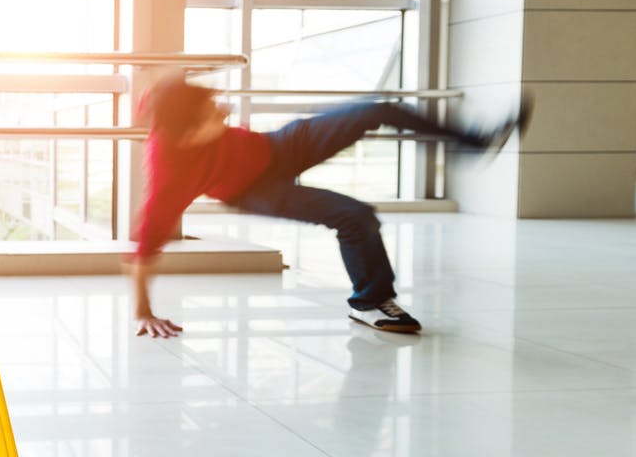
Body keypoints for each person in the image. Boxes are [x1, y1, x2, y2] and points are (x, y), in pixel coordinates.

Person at [126, 74, 532, 337]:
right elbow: (146, 246)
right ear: (188, 133)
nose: (224, 110)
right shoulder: (169, 171)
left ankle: (471, 142)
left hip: (277, 146)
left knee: (378, 107)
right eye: (211, 113)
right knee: (355, 215)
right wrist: (144, 311)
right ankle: (370, 301)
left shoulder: (181, 114)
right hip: (254, 189)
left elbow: (167, 99)